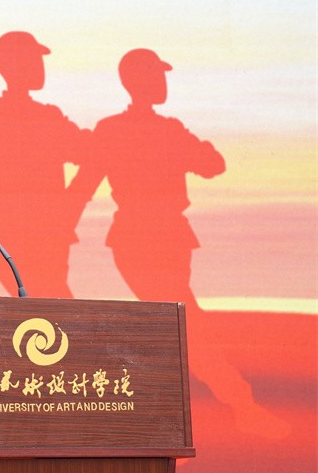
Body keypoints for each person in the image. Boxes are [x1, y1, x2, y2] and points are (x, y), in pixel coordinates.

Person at [67, 48, 288, 438]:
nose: (163, 82)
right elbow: (85, 185)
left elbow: (213, 164)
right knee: (186, 326)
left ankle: (173, 424)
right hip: (139, 236)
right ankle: (240, 405)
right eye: (157, 75)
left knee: (177, 329)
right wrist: (56, 227)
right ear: (139, 81)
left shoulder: (166, 129)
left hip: (169, 235)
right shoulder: (121, 130)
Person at [0, 31, 90, 298]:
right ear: (13, 65)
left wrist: (71, 205)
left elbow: (91, 154)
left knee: (52, 306)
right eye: (34, 59)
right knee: (48, 306)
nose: (41, 66)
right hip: (7, 233)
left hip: (52, 231)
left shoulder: (49, 117)